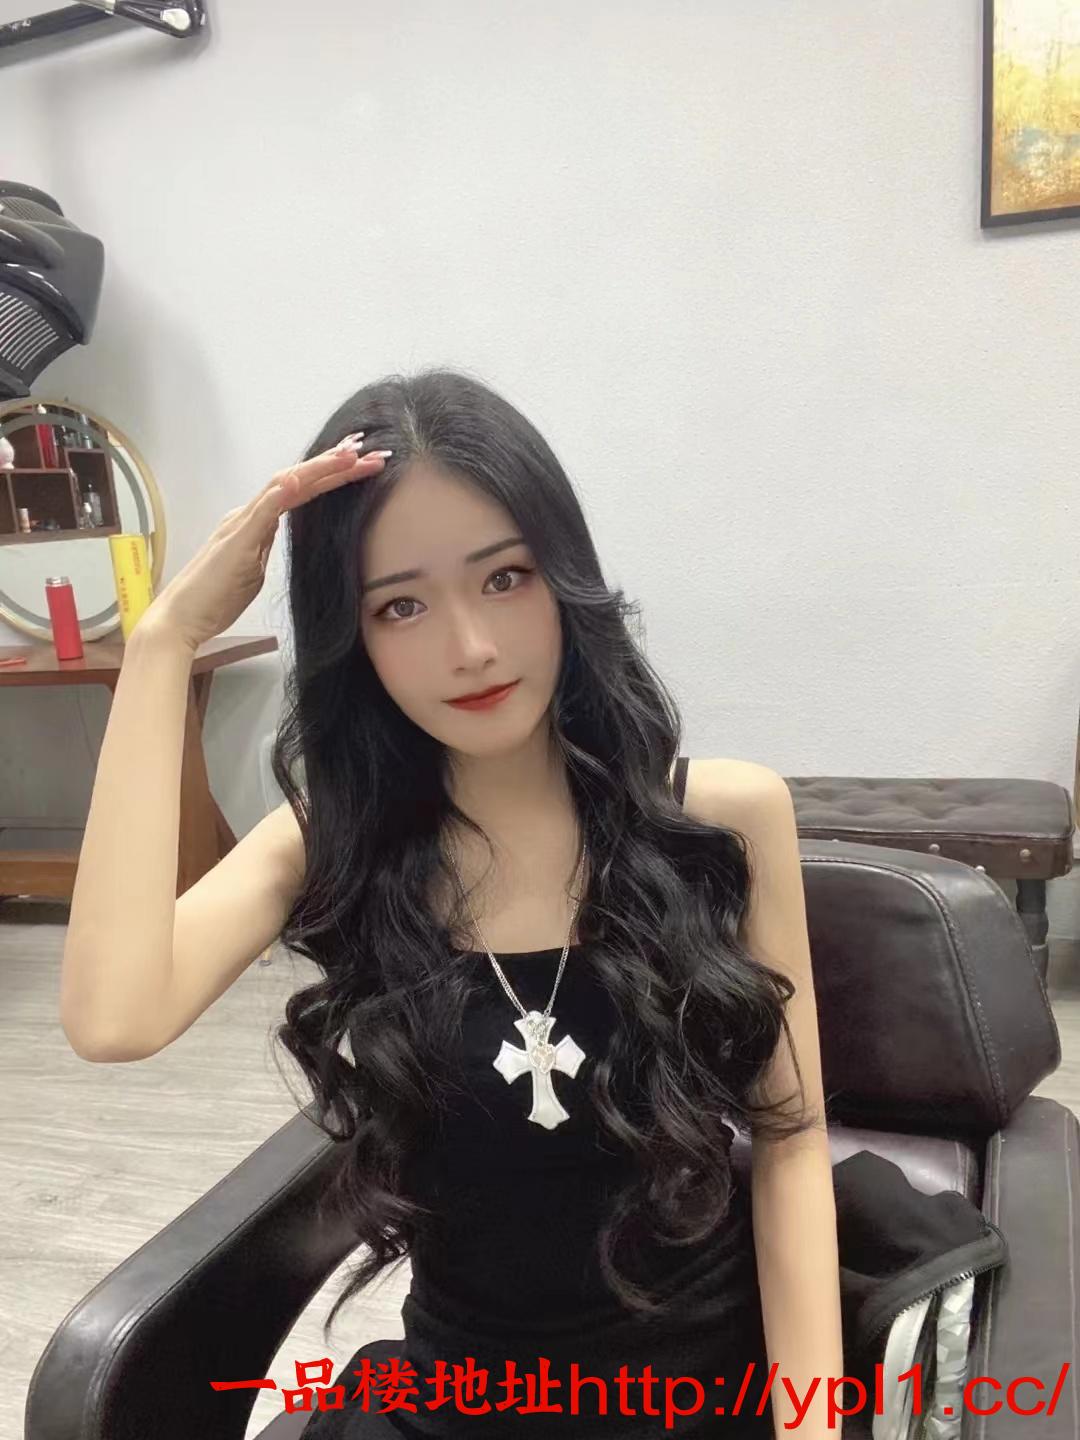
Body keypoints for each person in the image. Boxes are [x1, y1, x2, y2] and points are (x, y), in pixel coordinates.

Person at [60, 368, 842, 1438]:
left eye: (505, 578)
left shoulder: (724, 820)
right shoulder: (332, 846)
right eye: (402, 605)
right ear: (354, 635)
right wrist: (162, 645)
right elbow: (111, 1018)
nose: (470, 647)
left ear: (564, 578)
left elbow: (791, 1141)